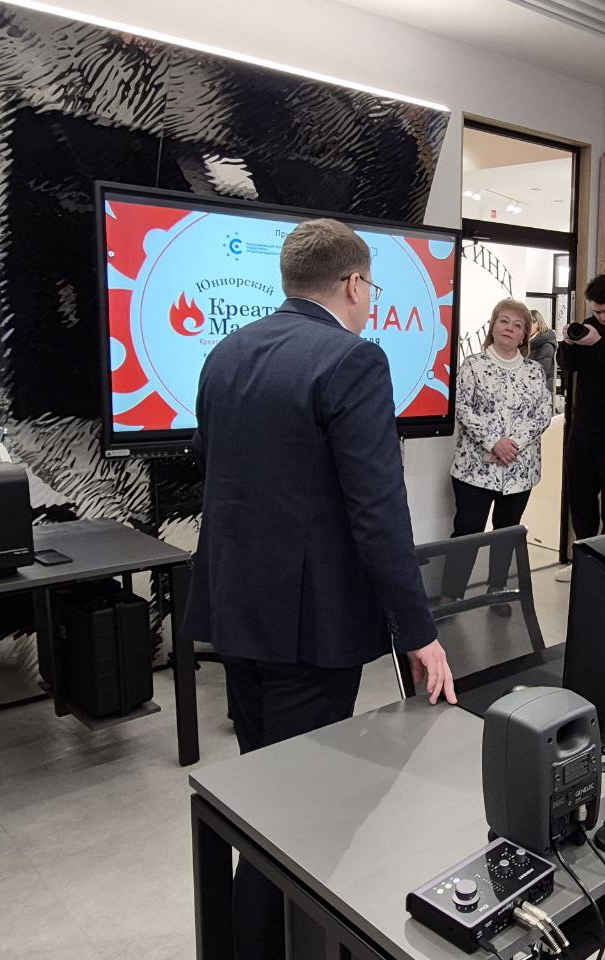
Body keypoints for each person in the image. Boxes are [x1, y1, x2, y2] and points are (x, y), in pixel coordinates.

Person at [186, 218, 456, 960]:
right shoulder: (353, 360)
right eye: (372, 289)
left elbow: (211, 456)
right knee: (297, 818)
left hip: (235, 609)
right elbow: (378, 511)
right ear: (355, 284)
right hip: (311, 626)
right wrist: (419, 632)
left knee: (264, 792)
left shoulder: (226, 351)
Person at [443, 298, 553, 604]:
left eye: (517, 325)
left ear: (524, 335)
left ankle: (498, 590)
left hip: (519, 472)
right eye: (504, 321)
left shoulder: (534, 371)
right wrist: (494, 443)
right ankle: (451, 594)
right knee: (467, 531)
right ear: (493, 326)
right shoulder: (473, 365)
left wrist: (511, 446)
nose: (509, 328)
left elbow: (543, 413)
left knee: (507, 532)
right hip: (474, 469)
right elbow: (462, 408)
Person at [556, 276, 605, 582]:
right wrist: (569, 343)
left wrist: (598, 344)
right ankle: (582, 561)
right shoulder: (587, 327)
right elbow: (566, 364)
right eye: (597, 312)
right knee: (580, 497)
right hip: (582, 427)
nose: (603, 317)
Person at [528, 308, 558, 387]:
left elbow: (541, 373)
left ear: (537, 324)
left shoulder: (546, 346)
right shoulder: (529, 343)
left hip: (539, 390)